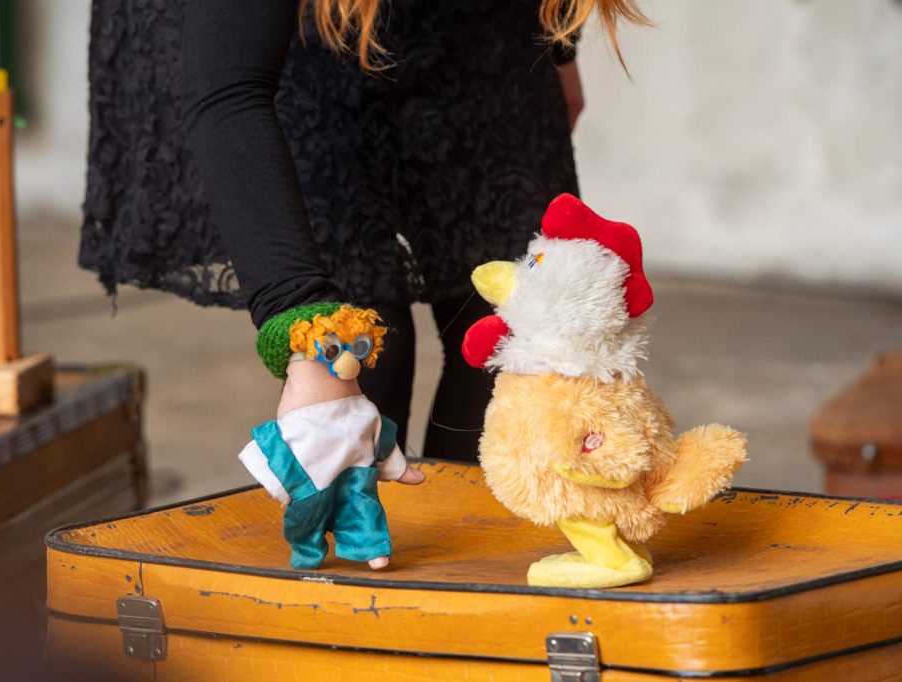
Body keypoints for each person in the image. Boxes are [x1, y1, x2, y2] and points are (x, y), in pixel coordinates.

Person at [80, 0, 648, 464]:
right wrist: (308, 333)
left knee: (516, 349)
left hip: (475, 27)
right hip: (294, 45)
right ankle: (366, 558)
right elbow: (228, 88)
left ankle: (469, 550)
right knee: (365, 353)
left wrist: (557, 44)